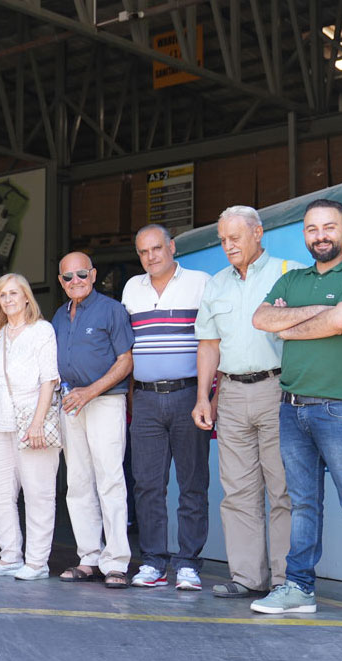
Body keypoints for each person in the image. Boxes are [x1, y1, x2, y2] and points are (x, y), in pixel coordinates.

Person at [250, 199, 342, 634]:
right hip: (291, 406)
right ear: (304, 235)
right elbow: (262, 318)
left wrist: (293, 323)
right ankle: (298, 588)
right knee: (302, 505)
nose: (321, 235)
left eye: (329, 227)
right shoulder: (293, 278)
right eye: (312, 229)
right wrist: (325, 316)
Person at [192, 206, 296, 599]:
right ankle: (248, 577)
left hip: (278, 388)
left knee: (283, 488)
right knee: (237, 489)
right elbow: (208, 345)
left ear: (258, 233)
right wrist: (205, 397)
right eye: (222, 240)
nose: (227, 246)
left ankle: (288, 581)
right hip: (231, 393)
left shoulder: (290, 272)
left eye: (235, 237)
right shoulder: (216, 285)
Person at [121, 225, 212, 591]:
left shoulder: (200, 282)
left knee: (192, 483)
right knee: (146, 484)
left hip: (188, 394)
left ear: (172, 247)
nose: (151, 257)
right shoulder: (131, 288)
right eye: (143, 252)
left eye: (157, 248)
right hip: (144, 398)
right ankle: (154, 562)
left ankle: (188, 562)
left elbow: (213, 341)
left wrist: (209, 396)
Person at [52, 252, 134, 589]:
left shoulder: (112, 310)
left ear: (94, 274)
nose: (75, 281)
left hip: (104, 403)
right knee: (78, 482)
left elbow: (125, 361)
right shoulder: (58, 315)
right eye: (68, 277)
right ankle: (89, 557)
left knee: (110, 480)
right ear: (60, 282)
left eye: (81, 274)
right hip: (70, 405)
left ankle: (116, 562)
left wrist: (90, 391)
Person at [0, 274, 60, 582]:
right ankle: (10, 557)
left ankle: (37, 563)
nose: (9, 299)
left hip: (32, 421)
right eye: (2, 295)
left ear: (27, 297)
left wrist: (38, 422)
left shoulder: (42, 331)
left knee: (38, 494)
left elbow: (49, 379)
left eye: (14, 293)